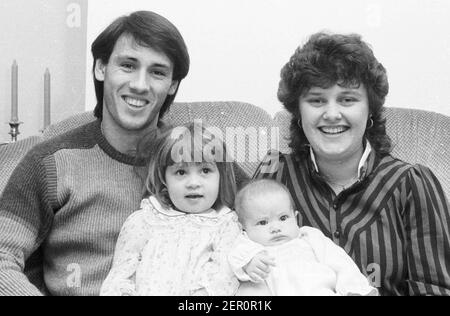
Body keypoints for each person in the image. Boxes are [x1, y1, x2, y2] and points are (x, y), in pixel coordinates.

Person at [0, 11, 190, 296]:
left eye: (158, 72)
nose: (140, 84)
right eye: (127, 65)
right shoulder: (50, 163)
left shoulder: (196, 156)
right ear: (101, 68)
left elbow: (269, 216)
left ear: (172, 84)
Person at [254, 32, 450, 296]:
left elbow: (434, 289)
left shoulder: (411, 184)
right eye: (316, 100)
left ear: (370, 109)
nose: (332, 114)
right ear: (298, 112)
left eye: (348, 99)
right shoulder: (274, 176)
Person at [100, 123, 240, 296]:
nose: (193, 183)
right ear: (164, 178)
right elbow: (120, 274)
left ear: (220, 176)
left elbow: (224, 278)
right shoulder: (145, 220)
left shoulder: (226, 224)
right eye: (181, 172)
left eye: (205, 170)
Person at [230, 179, 377, 296]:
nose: (275, 228)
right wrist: (249, 263)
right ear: (244, 228)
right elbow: (235, 259)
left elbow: (341, 262)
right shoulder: (250, 247)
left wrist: (354, 289)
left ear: (296, 218)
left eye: (283, 218)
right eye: (263, 222)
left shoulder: (309, 236)